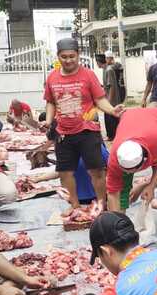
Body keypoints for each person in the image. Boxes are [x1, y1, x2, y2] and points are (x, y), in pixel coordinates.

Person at [42, 38, 123, 217]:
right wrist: (48, 121)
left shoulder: (88, 75)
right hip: (63, 133)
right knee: (65, 173)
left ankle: (101, 203)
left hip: (88, 130)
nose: (68, 60)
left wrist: (112, 110)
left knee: (96, 170)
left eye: (72, 56)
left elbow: (99, 100)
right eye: (64, 57)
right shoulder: (52, 77)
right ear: (58, 57)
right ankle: (75, 205)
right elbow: (50, 102)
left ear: (78, 55)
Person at [107, 108, 157, 241]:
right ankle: (120, 226)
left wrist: (152, 185)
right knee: (123, 185)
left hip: (156, 120)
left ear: (144, 160)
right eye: (125, 169)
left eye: (132, 171)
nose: (129, 173)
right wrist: (115, 228)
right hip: (129, 119)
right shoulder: (115, 157)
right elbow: (113, 194)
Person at [30, 127, 111, 205]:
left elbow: (60, 172)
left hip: (78, 198)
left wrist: (38, 179)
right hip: (98, 197)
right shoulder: (98, 148)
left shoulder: (67, 150)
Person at [103, 50, 125, 140]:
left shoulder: (110, 69)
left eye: (106, 58)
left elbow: (111, 86)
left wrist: (109, 100)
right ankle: (118, 134)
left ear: (109, 58)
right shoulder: (118, 66)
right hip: (120, 93)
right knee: (117, 116)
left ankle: (112, 135)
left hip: (114, 95)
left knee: (111, 116)